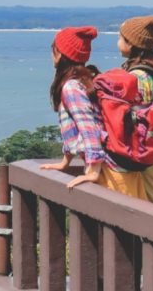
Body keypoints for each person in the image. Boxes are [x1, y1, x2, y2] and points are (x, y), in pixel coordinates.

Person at [39, 26, 145, 197]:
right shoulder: (87, 79)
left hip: (109, 173)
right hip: (119, 168)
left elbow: (89, 128)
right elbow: (74, 129)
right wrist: (65, 162)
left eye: (53, 49)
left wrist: (93, 171)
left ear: (59, 53)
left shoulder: (71, 87)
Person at [118, 15, 153, 207]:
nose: (118, 42)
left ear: (132, 44)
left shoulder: (137, 76)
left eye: (121, 38)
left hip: (150, 160)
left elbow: (137, 118)